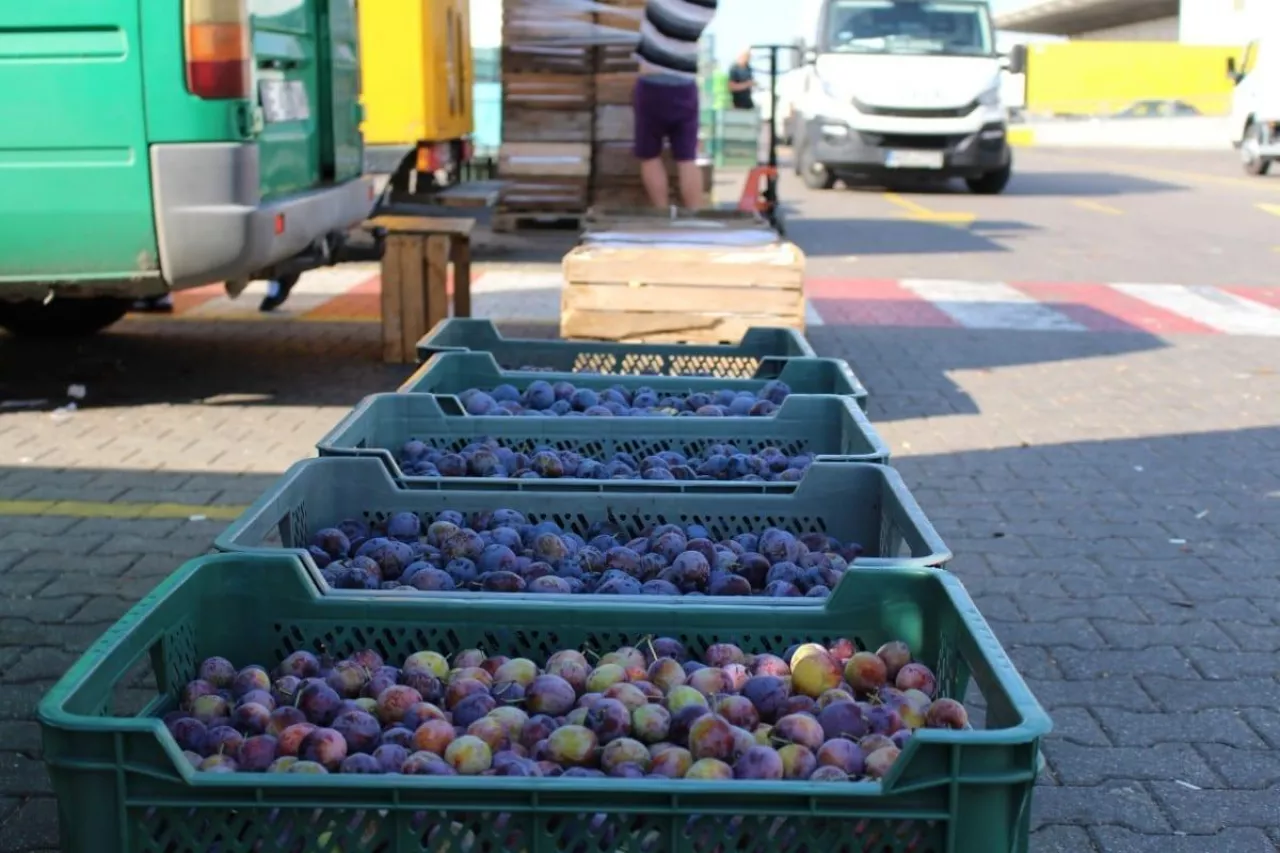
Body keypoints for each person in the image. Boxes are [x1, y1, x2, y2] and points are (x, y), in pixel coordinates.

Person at [633, 0, 718, 211]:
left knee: (649, 156)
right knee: (687, 158)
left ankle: (663, 213)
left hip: (652, 85)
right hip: (685, 86)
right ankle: (694, 215)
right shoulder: (707, 6)